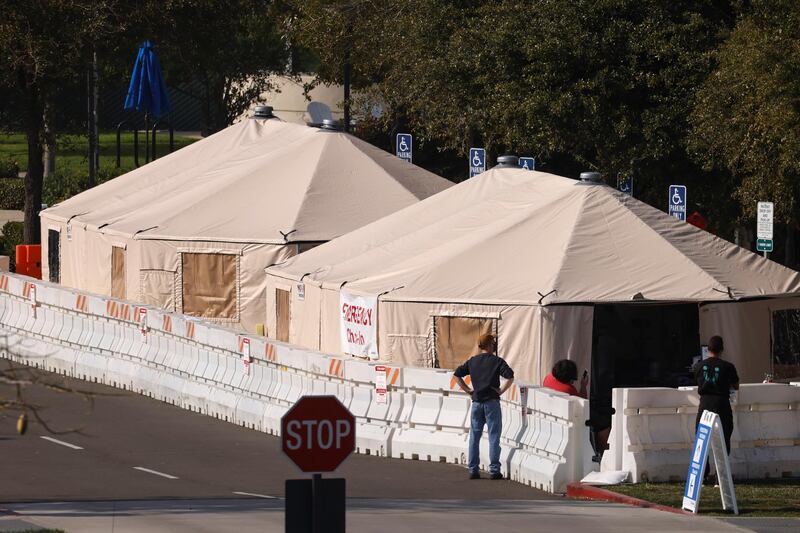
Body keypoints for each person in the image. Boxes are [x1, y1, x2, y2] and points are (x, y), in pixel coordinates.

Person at [453, 333, 515, 480]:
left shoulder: (473, 361)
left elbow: (456, 375)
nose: (494, 344)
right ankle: (494, 470)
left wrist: (468, 390)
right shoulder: (497, 361)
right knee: (494, 436)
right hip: (492, 402)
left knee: (474, 436)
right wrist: (501, 390)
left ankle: (473, 469)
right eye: (493, 342)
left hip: (476, 402)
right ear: (489, 345)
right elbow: (510, 376)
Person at [693, 335, 739, 483]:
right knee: (724, 438)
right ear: (722, 349)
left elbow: (696, 380)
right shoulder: (728, 366)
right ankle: (721, 475)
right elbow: (736, 385)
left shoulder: (698, 366)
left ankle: (702, 474)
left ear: (709, 350)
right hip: (722, 404)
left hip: (705, 403)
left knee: (702, 439)